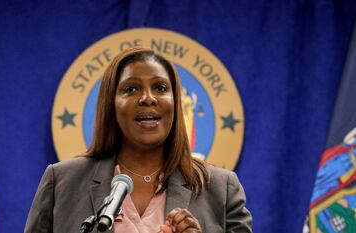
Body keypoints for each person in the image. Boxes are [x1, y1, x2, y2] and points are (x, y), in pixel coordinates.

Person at [25, 47, 252, 233]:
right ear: (111, 104)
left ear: (175, 103)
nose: (148, 98)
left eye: (160, 88)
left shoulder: (221, 188)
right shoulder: (62, 182)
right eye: (131, 89)